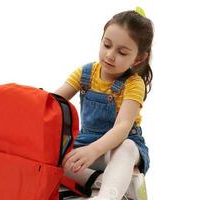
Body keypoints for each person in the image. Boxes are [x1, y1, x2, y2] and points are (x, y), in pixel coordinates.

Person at [55, 7, 154, 200]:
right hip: (85, 145)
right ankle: (106, 183)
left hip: (118, 150)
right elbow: (55, 102)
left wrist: (94, 150)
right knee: (56, 159)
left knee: (126, 147)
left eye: (122, 52)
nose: (110, 55)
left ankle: (107, 196)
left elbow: (123, 127)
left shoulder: (134, 83)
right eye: (107, 45)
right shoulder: (85, 73)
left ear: (139, 58)